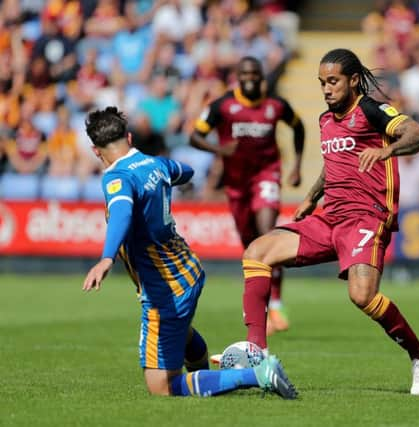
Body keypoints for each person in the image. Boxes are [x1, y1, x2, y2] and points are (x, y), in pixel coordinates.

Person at [240, 48, 419, 395]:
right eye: (321, 83)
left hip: (367, 216)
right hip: (329, 216)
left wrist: (386, 150)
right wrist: (312, 197)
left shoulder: (372, 111)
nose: (326, 89)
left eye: (333, 81)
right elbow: (335, 164)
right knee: (257, 252)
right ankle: (258, 356)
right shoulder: (325, 120)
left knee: (362, 296)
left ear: (353, 80)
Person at [82, 106, 297, 399]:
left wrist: (106, 258)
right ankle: (205, 379)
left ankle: (257, 374)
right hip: (189, 270)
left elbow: (121, 211)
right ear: (129, 137)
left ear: (96, 151)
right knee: (180, 335)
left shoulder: (116, 178)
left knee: (161, 388)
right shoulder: (156, 164)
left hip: (165, 288)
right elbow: (186, 171)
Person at [190, 56, 305, 336]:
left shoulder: (275, 105)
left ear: (261, 75)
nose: (250, 77)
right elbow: (194, 136)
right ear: (238, 77)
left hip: (267, 174)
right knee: (249, 243)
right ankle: (264, 303)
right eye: (245, 73)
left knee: (267, 234)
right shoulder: (223, 105)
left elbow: (299, 128)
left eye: (255, 72)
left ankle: (275, 304)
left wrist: (297, 167)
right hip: (237, 183)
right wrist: (220, 151)